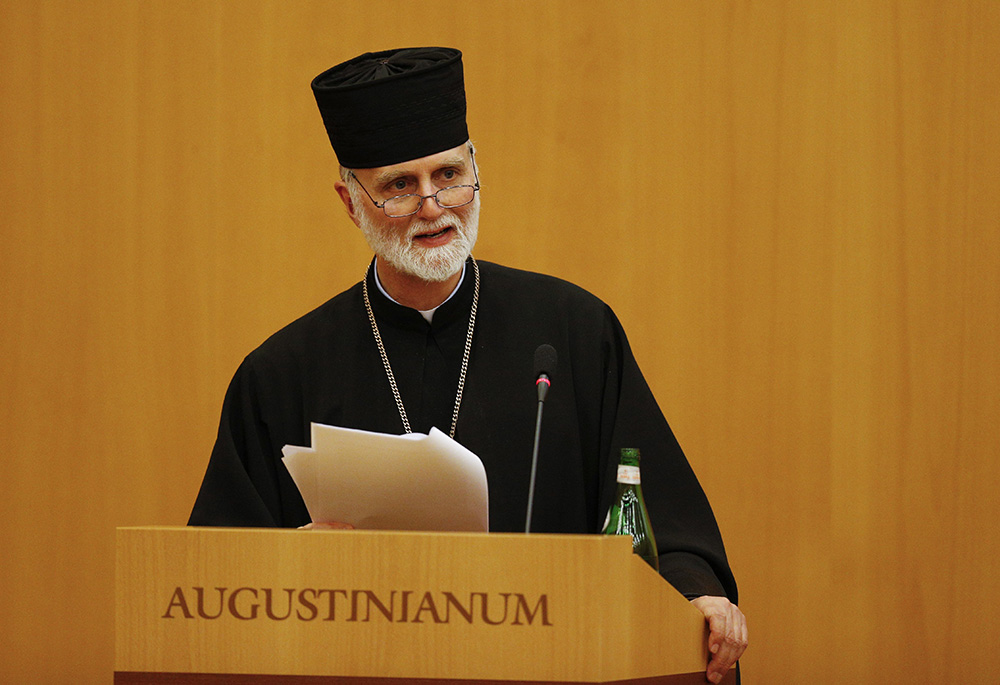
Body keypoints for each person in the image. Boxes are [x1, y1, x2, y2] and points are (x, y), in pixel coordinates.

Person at [189, 47, 747, 683]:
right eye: (399, 185)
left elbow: (656, 516)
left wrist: (695, 594)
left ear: (475, 168)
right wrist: (299, 569)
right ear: (350, 202)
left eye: (448, 174)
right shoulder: (281, 372)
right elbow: (219, 582)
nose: (432, 205)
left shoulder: (573, 330)